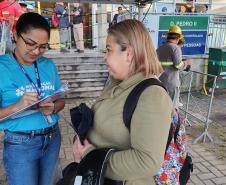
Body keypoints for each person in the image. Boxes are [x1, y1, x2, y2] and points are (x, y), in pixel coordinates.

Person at [72, 19, 172, 185]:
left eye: (108, 50)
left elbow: (146, 161)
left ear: (129, 53)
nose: (105, 58)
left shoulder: (152, 95)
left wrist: (90, 156)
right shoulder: (117, 81)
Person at [0, 12, 65, 185]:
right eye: (30, 44)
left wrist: (53, 107)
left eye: (43, 46)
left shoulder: (48, 65)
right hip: (20, 144)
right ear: (15, 35)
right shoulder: (2, 67)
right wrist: (17, 106)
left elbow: (61, 100)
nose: (36, 51)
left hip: (52, 138)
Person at [157, 25, 192, 110]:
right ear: (178, 38)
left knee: (161, 106)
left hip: (159, 82)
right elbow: (178, 66)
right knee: (171, 108)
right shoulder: (175, 48)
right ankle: (171, 123)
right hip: (171, 83)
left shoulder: (159, 48)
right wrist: (186, 63)